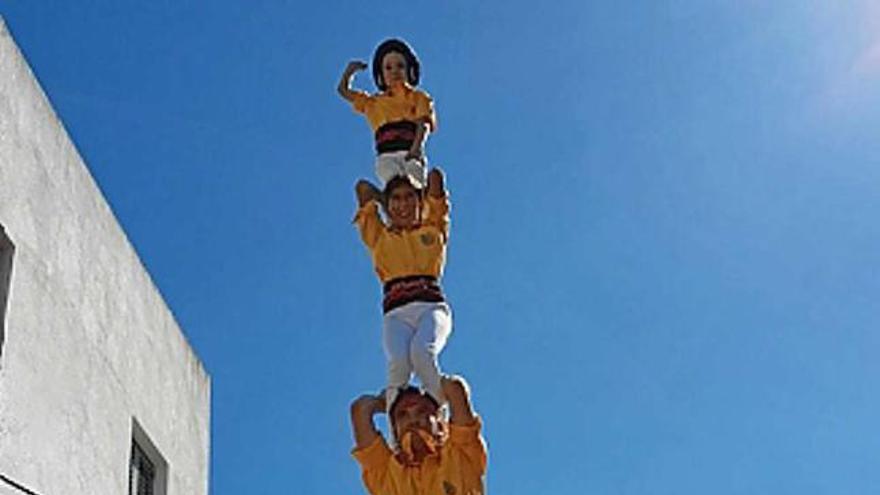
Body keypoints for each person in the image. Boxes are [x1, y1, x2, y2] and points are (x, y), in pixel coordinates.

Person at [353, 168, 452, 408]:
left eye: (409, 197)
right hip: (396, 313)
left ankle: (438, 418)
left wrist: (414, 170)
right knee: (399, 364)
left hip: (430, 306)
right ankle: (399, 435)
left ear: (420, 202)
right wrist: (383, 200)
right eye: (396, 198)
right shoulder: (379, 236)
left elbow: (436, 178)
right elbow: (362, 187)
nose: (403, 203)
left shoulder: (432, 228)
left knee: (422, 353)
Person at [350, 375, 487, 495]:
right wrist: (383, 401)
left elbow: (455, 388)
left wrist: (429, 375)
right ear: (395, 432)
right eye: (402, 415)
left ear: (440, 424)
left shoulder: (461, 454)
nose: (413, 419)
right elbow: (361, 410)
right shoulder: (387, 475)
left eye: (422, 411)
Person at [338, 38, 437, 188]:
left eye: (400, 66)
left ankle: (421, 204)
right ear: (381, 74)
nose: (395, 71)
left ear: (409, 70)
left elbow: (423, 124)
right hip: (386, 154)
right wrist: (349, 72)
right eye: (388, 68)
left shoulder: (417, 97)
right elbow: (343, 91)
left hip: (409, 150)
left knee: (414, 179)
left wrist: (416, 149)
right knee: (391, 179)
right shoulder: (374, 103)